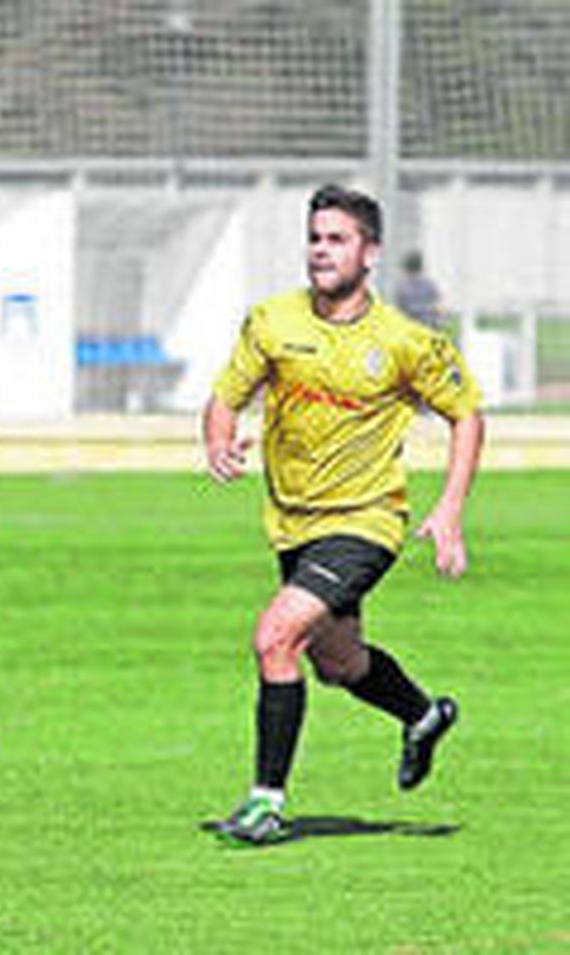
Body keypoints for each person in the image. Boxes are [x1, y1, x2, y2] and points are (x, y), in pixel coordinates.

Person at [201, 184, 485, 846]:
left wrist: (449, 508)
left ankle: (265, 802)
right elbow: (225, 397)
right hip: (293, 522)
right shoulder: (272, 322)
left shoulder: (406, 342)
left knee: (275, 637)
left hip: (366, 521)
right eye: (315, 237)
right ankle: (422, 715)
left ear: (370, 252)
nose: (321, 250)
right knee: (338, 661)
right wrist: (218, 440)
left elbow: (467, 414)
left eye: (337, 239)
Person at [393, 250, 445, 329]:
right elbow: (439, 306)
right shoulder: (430, 284)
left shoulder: (402, 287)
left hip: (411, 328)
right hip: (430, 327)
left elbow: (399, 311)